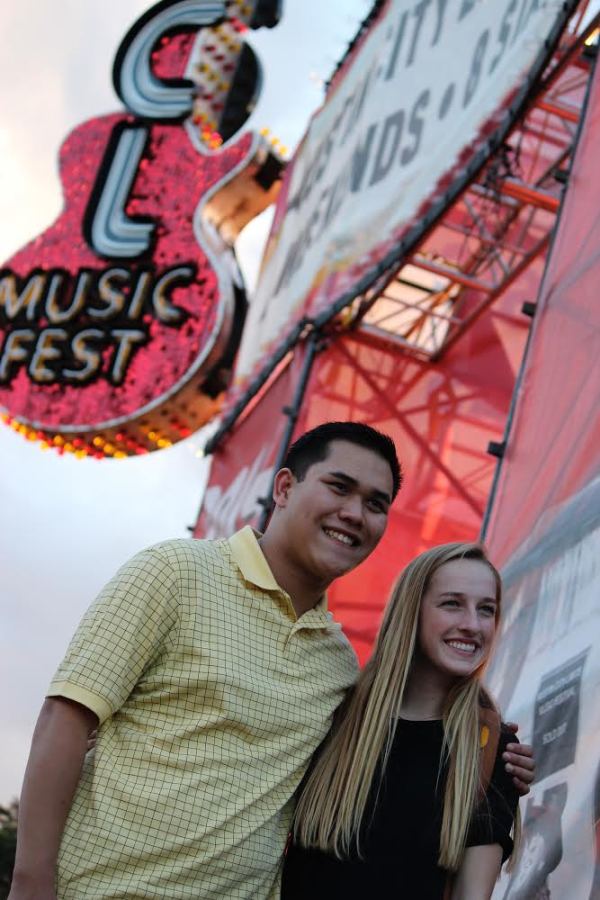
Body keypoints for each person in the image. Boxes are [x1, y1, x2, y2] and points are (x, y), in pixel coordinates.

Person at [9, 423, 534, 900]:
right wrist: (32, 882)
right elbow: (67, 719)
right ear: (284, 488)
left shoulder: (338, 667)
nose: (355, 512)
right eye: (339, 486)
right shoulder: (174, 572)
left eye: (376, 503)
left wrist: (494, 754)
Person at [283, 543, 522, 899]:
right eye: (452, 603)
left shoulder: (491, 748)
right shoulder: (332, 711)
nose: (472, 625)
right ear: (412, 610)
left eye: (486, 609)